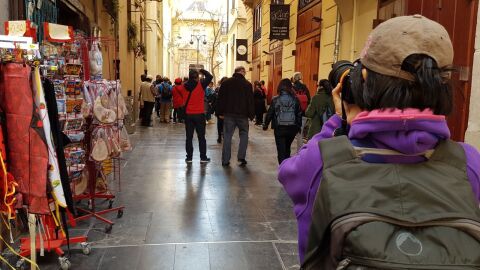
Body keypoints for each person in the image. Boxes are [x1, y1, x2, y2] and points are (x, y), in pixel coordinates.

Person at [278, 15, 480, 268]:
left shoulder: (322, 160)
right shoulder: (469, 163)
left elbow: (287, 174)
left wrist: (339, 121)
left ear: (363, 79)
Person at [217, 66, 254, 167]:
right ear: (242, 72)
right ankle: (241, 157)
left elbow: (221, 99)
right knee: (244, 134)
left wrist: (219, 112)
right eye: (245, 72)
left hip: (229, 114)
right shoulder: (247, 84)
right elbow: (250, 101)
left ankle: (225, 160)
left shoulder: (226, 83)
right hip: (243, 115)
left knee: (227, 136)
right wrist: (251, 114)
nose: (245, 73)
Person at [177, 69, 213, 163]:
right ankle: (203, 157)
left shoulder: (183, 86)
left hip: (188, 114)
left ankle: (189, 158)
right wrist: (202, 70)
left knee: (189, 137)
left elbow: (177, 89)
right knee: (201, 137)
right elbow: (210, 76)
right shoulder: (201, 85)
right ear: (197, 77)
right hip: (199, 114)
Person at [263, 79, 302, 164]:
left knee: (281, 150)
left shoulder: (275, 99)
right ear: (290, 87)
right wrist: (298, 127)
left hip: (279, 128)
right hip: (292, 128)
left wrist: (265, 124)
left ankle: (282, 169)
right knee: (287, 148)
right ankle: (287, 167)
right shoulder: (295, 99)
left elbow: (270, 113)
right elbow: (299, 114)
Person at [292, 72, 311, 149]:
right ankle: (299, 151)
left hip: (293, 114)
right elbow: (309, 100)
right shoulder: (305, 88)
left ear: (294, 79)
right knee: (300, 132)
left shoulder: (292, 88)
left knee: (291, 133)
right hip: (303, 113)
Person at [211, 77, 228, 143]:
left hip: (221, 110)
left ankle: (220, 136)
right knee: (225, 124)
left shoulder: (218, 89)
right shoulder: (220, 89)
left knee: (220, 124)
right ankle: (222, 136)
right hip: (225, 110)